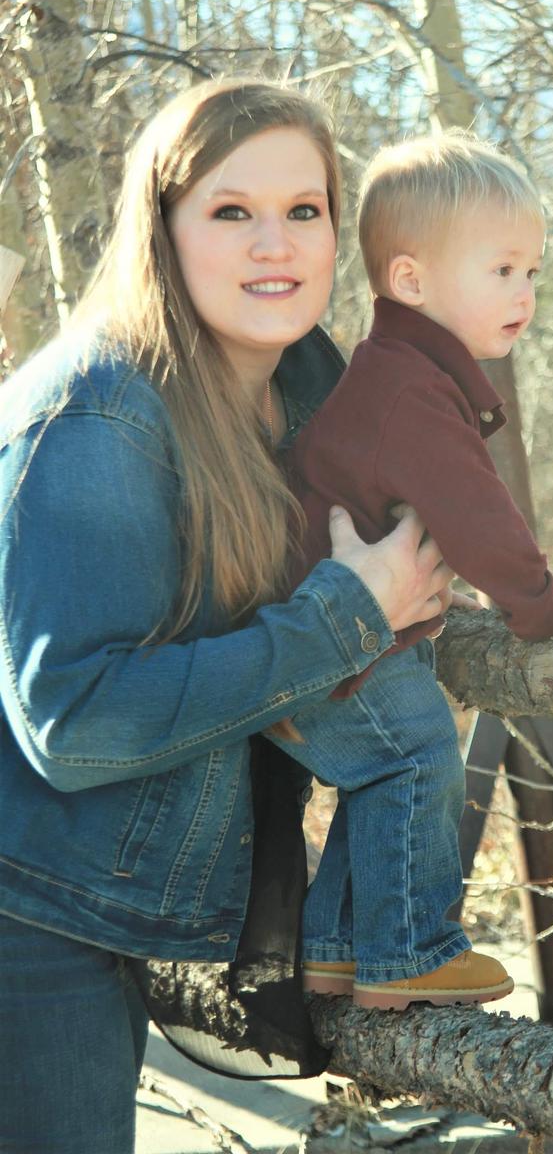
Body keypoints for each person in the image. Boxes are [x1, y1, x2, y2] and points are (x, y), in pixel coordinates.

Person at [0, 79, 457, 1154]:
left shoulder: (310, 387)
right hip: (28, 909)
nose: (275, 244)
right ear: (162, 229)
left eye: (303, 209)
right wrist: (351, 615)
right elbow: (74, 720)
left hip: (110, 893)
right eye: (230, 210)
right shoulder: (100, 415)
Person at [271, 132, 553, 1012]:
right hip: (336, 644)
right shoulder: (410, 389)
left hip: (309, 637)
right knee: (415, 761)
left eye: (533, 272)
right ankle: (411, 950)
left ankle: (338, 951)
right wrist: (542, 610)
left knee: (377, 777)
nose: (525, 293)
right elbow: (476, 515)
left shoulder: (399, 372)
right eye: (503, 270)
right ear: (410, 281)